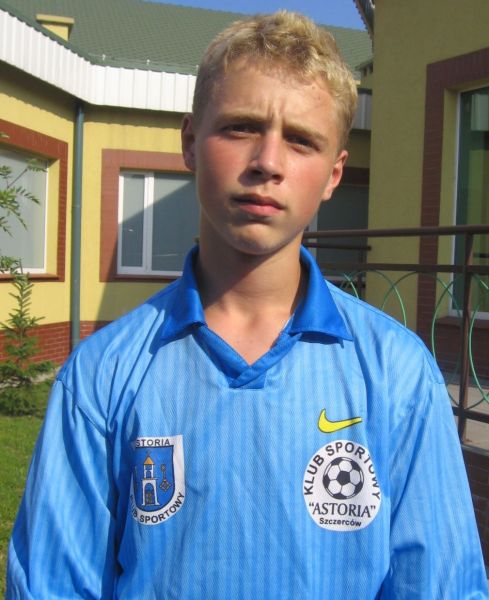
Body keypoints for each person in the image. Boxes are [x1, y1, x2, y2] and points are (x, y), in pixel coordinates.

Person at [7, 10, 488, 600]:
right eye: (240, 128)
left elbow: (441, 586)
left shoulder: (399, 375)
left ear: (334, 174)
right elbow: (52, 586)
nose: (268, 162)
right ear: (190, 142)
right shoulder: (102, 376)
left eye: (302, 140)